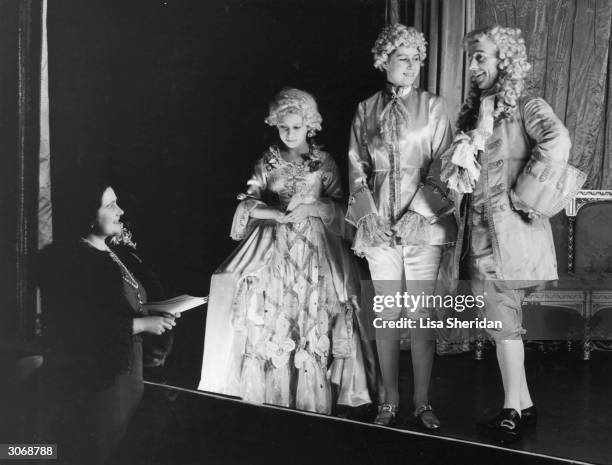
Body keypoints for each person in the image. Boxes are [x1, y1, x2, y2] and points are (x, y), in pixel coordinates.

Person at [441, 25, 586, 444]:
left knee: (503, 320)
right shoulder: (475, 114)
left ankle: (511, 410)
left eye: (481, 57)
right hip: (481, 237)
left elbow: (558, 140)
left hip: (510, 237)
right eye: (471, 58)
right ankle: (523, 405)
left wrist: (526, 194)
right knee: (505, 320)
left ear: (504, 59)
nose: (472, 66)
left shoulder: (526, 105)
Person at [198, 88, 378, 414]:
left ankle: (315, 396)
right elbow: (248, 201)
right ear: (275, 125)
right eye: (284, 127)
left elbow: (341, 207)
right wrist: (274, 213)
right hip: (277, 244)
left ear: (310, 125)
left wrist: (313, 208)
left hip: (316, 246)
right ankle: (273, 397)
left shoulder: (324, 163)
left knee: (322, 308)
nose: (290, 134)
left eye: (296, 127)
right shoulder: (268, 161)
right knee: (266, 308)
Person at [346, 24, 456, 428]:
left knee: (421, 316)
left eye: (416, 59)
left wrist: (417, 214)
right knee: (388, 315)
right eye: (403, 58)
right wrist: (370, 218)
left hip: (422, 226)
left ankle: (423, 401)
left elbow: (445, 165)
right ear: (384, 61)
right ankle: (389, 400)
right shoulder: (365, 109)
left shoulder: (434, 106)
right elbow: (356, 169)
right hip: (378, 229)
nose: (412, 66)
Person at [40, 183, 178, 464]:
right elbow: (80, 327)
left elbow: (121, 308)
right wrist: (143, 325)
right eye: (110, 205)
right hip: (105, 380)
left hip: (131, 369)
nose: (121, 210)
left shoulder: (117, 255)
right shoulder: (74, 260)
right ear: (89, 214)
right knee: (100, 451)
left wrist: (158, 313)